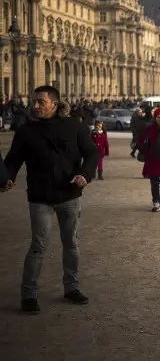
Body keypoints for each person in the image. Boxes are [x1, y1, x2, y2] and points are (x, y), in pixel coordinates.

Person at [2, 85, 100, 314]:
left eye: (41, 102)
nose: (35, 106)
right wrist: (6, 179)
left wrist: (85, 175)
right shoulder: (25, 131)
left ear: (54, 104)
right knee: (38, 246)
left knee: (71, 243)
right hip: (40, 196)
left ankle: (71, 287)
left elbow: (92, 152)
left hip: (69, 194)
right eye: (33, 101)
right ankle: (29, 294)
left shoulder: (73, 126)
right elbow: (13, 161)